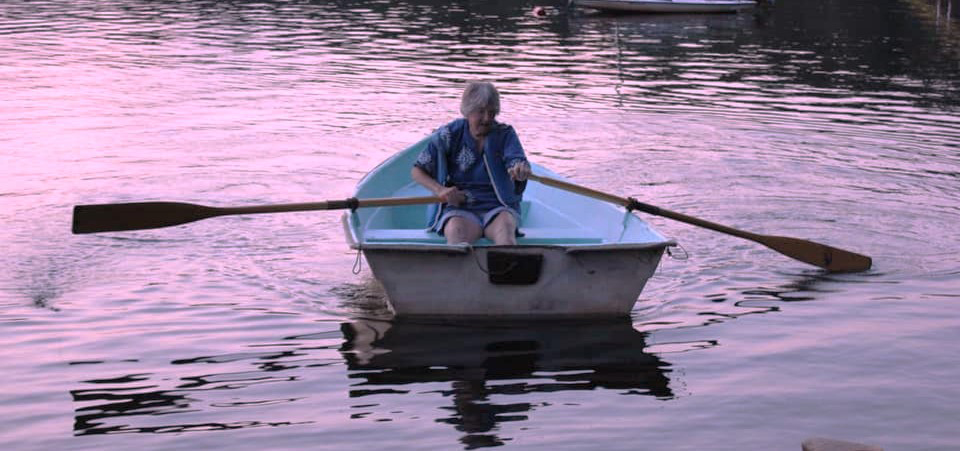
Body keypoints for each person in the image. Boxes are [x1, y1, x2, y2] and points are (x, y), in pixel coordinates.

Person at [411, 81, 532, 245]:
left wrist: (520, 170)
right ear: (468, 111)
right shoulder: (449, 134)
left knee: (506, 232)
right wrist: (441, 190)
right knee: (456, 233)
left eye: (491, 112)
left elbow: (516, 160)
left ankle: (506, 267)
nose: (487, 118)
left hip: (498, 206)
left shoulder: (505, 134)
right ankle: (459, 268)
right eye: (481, 112)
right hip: (460, 207)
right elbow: (417, 171)